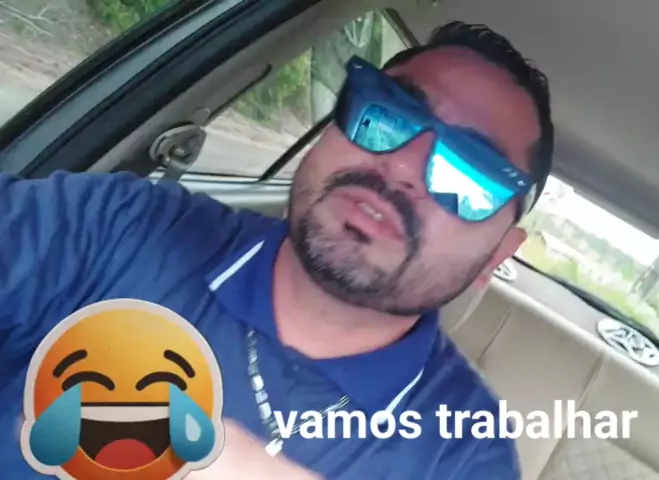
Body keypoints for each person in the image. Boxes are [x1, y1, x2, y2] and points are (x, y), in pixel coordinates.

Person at [0, 21, 553, 479]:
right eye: (386, 114)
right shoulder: (122, 224)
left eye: (470, 174)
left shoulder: (463, 454)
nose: (402, 163)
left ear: (497, 255)